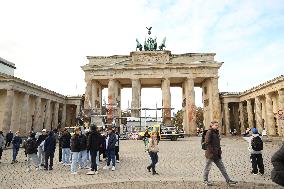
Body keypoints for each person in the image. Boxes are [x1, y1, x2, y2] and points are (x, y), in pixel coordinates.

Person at [203, 121, 237, 186]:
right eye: (215, 125)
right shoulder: (209, 132)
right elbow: (207, 142)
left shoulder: (216, 132)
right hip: (211, 154)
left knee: (222, 168)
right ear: (211, 125)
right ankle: (205, 180)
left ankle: (228, 180)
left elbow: (216, 143)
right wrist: (212, 150)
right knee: (207, 168)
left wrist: (219, 150)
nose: (217, 126)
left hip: (217, 154)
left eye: (217, 125)